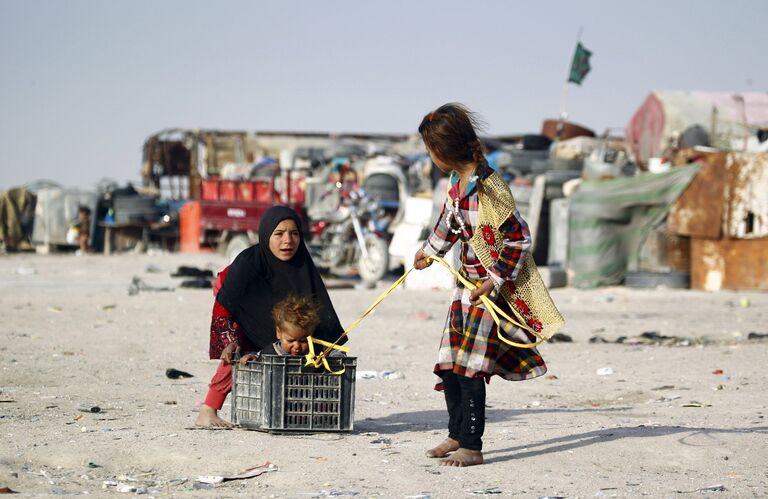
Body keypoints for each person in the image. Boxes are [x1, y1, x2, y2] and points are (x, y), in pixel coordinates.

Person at [413, 103, 563, 467]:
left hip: (488, 295)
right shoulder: (456, 184)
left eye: (431, 150)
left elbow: (518, 239)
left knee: (471, 368)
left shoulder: (492, 190)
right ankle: (455, 433)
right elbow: (449, 225)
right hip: (463, 291)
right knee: (449, 363)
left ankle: (472, 445)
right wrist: (427, 251)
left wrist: (493, 280)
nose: (430, 156)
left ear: (443, 150)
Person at [194, 206, 346, 428]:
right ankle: (208, 411)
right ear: (266, 235)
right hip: (243, 317)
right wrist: (229, 341)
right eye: (279, 234)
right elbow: (225, 305)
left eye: (294, 234)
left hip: (285, 325)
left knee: (307, 351)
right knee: (238, 355)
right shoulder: (248, 262)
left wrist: (326, 345)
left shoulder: (303, 264)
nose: (288, 241)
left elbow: (317, 309)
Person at [238, 293, 321, 362]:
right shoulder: (270, 353)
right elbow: (257, 356)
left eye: (303, 341)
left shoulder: (313, 353)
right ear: (278, 333)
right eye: (290, 340)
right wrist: (252, 357)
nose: (297, 346)